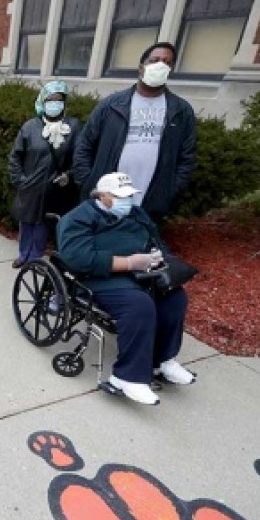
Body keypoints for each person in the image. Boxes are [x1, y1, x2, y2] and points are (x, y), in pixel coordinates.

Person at [56, 172, 196, 405]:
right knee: (139, 305)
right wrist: (129, 262)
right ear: (102, 196)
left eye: (129, 196)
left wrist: (158, 255)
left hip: (142, 272)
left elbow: (156, 238)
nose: (127, 201)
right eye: (120, 197)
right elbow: (77, 257)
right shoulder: (77, 219)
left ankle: (163, 361)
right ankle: (126, 377)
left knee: (175, 298)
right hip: (99, 277)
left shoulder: (136, 213)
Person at [73, 42, 197, 222]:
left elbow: (187, 158)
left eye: (166, 62)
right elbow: (84, 145)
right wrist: (89, 184)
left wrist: (169, 192)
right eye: (154, 60)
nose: (160, 65)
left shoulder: (181, 111)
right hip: (106, 198)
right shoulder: (111, 105)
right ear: (141, 68)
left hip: (150, 202)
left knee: (136, 247)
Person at [8, 80, 82, 268]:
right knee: (27, 222)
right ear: (42, 101)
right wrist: (20, 180)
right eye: (50, 99)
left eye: (59, 99)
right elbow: (15, 156)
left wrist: (69, 175)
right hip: (30, 186)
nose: (54, 103)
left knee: (43, 223)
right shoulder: (30, 126)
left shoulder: (74, 127)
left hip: (56, 188)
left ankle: (35, 257)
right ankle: (24, 254)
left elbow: (80, 158)